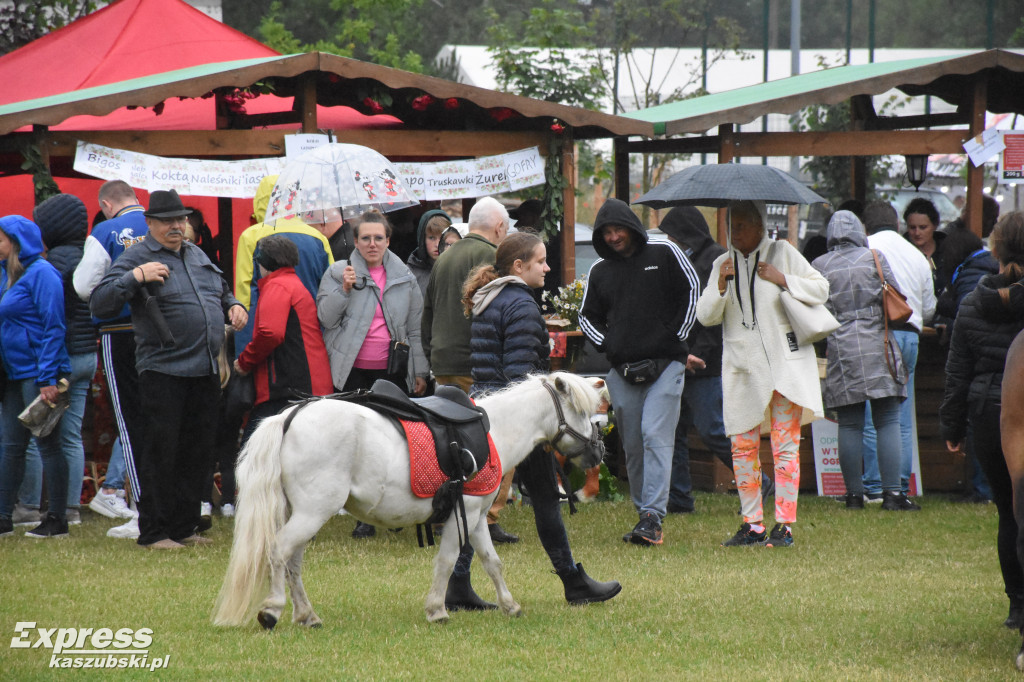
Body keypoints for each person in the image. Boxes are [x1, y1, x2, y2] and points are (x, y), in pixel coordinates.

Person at [443, 231, 621, 610]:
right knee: (540, 499)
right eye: (540, 261)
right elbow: (521, 376)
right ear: (519, 267)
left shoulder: (491, 298)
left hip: (485, 408)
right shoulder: (521, 305)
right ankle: (573, 582)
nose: (548, 267)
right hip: (516, 418)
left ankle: (459, 584)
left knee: (482, 501)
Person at [90, 189, 247, 549]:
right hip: (164, 369)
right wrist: (136, 277)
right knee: (162, 450)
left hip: (205, 368)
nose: (177, 226)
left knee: (197, 450)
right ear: (150, 224)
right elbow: (100, 302)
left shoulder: (196, 254)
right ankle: (155, 531)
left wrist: (233, 305)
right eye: (168, 221)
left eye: (181, 219)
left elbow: (220, 289)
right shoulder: (137, 256)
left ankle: (185, 526)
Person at [696, 200, 825, 548]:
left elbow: (821, 288)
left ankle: (785, 526)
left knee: (785, 447)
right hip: (741, 368)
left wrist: (782, 278)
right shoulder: (721, 263)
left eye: (740, 225)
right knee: (742, 447)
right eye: (730, 226)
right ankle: (752, 524)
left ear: (759, 225)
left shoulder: (782, 252)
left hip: (784, 368)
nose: (734, 233)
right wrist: (721, 285)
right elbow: (705, 315)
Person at [579, 197, 699, 546]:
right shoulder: (600, 272)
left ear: (631, 226)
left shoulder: (663, 253)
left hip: (668, 366)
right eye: (606, 232)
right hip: (623, 370)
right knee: (632, 445)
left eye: (617, 229)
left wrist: (674, 337)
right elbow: (587, 317)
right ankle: (643, 514)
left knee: (654, 435)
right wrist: (610, 346)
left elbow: (691, 290)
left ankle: (652, 517)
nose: (613, 236)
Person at [317, 210, 429, 538]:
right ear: (355, 241)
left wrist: (419, 370)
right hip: (352, 371)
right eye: (365, 238)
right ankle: (363, 514)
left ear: (388, 240)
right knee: (356, 443)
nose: (372, 244)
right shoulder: (340, 272)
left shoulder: (404, 276)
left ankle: (392, 508)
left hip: (390, 371)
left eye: (378, 238)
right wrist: (345, 291)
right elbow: (325, 318)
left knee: (392, 441)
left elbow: (414, 329)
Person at [940, 211, 1024, 630]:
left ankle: (1017, 606)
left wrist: (952, 428)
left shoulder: (974, 301)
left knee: (1009, 514)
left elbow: (958, 372)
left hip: (987, 415)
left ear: (996, 250)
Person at [422, 196, 518, 545]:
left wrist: (432, 355)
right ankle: (488, 519)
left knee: (446, 443)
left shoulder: (444, 257)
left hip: (443, 362)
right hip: (477, 363)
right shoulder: (493, 257)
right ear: (498, 228)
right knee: (496, 441)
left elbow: (427, 313)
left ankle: (443, 515)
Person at [812, 210, 916, 511]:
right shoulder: (874, 257)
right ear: (859, 230)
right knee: (887, 420)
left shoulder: (819, 265)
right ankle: (893, 495)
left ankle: (854, 496)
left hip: (841, 348)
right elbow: (896, 294)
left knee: (850, 424)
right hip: (878, 344)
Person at [15, 195, 98, 528]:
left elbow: (48, 320)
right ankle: (71, 509)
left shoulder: (51, 266)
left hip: (57, 360)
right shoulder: (92, 258)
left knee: (39, 433)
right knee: (71, 435)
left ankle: (30, 506)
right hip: (86, 356)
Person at [73, 180, 148, 539]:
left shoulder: (105, 230)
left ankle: (137, 508)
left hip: (119, 330)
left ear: (106, 203)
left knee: (130, 418)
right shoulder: (162, 224)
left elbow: (85, 285)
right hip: (163, 331)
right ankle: (163, 504)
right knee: (158, 414)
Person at [657, 206, 738, 514]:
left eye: (671, 234)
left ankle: (758, 483)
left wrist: (698, 354)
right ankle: (679, 497)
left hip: (706, 362)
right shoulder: (683, 258)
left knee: (713, 429)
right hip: (680, 358)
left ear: (685, 233)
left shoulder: (717, 260)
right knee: (674, 431)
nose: (668, 239)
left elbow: (716, 316)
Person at [0, 215, 73, 538]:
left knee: (47, 445)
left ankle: (57, 518)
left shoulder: (43, 274)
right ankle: (3, 516)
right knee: (11, 446)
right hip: (13, 373)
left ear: (15, 242)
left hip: (37, 373)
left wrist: (48, 377)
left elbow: (53, 326)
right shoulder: (7, 274)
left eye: (1, 239)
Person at [860, 201, 937, 502]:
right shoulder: (916, 255)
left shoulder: (865, 248)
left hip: (877, 335)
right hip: (910, 338)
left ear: (865, 226)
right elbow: (929, 308)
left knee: (871, 414)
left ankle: (875, 485)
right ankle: (900, 487)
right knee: (902, 417)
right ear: (897, 224)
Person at [234, 235, 333, 435]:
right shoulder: (291, 282)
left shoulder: (277, 286)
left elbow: (271, 333)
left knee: (256, 450)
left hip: (288, 387)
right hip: (306, 384)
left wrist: (244, 362)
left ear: (264, 262)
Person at [903, 197, 948, 298]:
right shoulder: (901, 252)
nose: (917, 233)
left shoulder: (948, 251)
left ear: (935, 226)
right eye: (912, 227)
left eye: (923, 227)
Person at [407, 209, 451, 296]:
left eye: (443, 237)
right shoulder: (409, 274)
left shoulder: (459, 268)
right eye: (432, 238)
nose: (438, 244)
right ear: (422, 239)